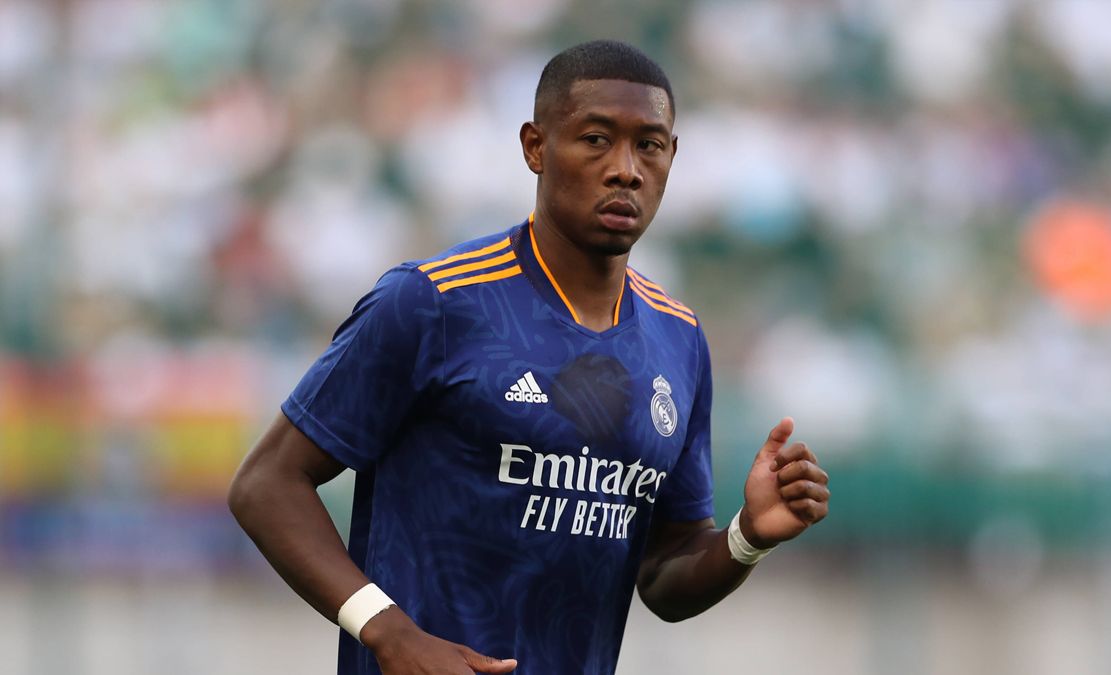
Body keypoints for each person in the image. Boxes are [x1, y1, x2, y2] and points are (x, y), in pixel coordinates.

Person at [228, 39, 830, 675]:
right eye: (596, 139)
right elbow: (267, 483)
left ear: (671, 157)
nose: (626, 168)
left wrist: (746, 538)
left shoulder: (678, 338)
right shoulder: (435, 302)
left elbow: (664, 571)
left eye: (648, 145)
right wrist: (390, 634)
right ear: (535, 147)